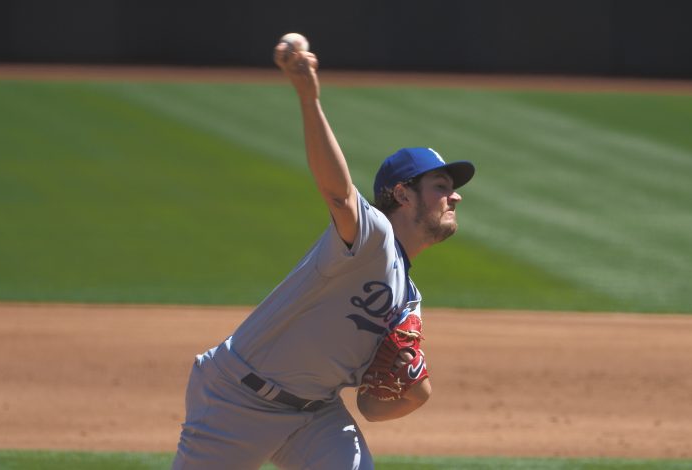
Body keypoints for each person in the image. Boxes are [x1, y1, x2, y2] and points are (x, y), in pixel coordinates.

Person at [171, 38, 475, 470]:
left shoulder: (408, 300)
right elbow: (337, 193)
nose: (455, 197)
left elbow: (371, 405)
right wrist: (308, 97)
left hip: (315, 416)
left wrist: (413, 391)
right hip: (236, 400)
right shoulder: (373, 237)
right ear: (404, 196)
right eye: (441, 187)